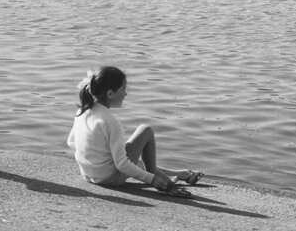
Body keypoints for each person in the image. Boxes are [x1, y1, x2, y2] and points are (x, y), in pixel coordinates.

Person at [67, 66, 203, 198]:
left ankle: (181, 174)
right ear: (110, 93)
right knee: (145, 130)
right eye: (123, 89)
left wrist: (94, 161)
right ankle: (155, 172)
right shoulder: (110, 122)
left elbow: (71, 142)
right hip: (110, 179)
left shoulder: (82, 111)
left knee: (132, 160)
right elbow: (122, 164)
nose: (125, 94)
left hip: (87, 174)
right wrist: (152, 179)